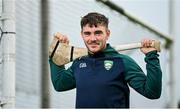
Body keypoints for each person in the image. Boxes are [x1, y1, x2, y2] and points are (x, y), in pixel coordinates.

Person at [49, 12, 162, 108]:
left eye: (98, 33)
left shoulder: (123, 62)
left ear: (107, 34)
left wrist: (151, 57)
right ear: (82, 35)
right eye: (87, 33)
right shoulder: (79, 62)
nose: (92, 39)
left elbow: (152, 92)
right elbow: (60, 84)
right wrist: (56, 54)